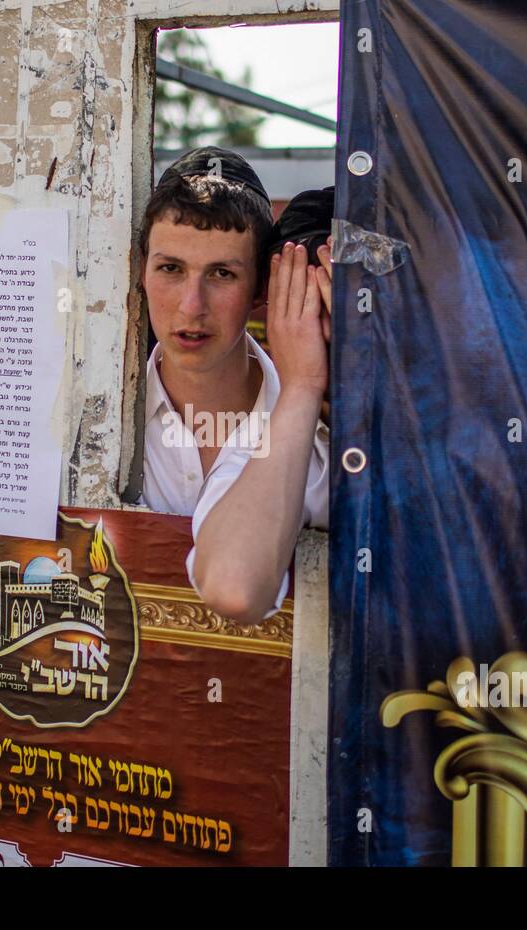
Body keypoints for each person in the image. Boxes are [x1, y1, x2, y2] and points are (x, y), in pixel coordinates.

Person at [138, 148, 332, 624]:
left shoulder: (315, 438)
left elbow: (236, 588)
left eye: (222, 274)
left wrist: (303, 386)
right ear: (139, 272)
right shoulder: (94, 413)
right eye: (171, 269)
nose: (191, 307)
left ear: (263, 289)